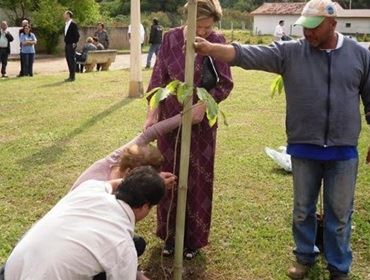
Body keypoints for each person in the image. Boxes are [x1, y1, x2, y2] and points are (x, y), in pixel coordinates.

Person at [193, 0, 370, 278]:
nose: (306, 33)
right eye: (304, 27)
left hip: (343, 150)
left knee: (340, 215)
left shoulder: (359, 55)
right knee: (302, 209)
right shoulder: (291, 52)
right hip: (304, 146)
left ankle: (339, 266)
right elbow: (247, 54)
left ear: (333, 25)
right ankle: (304, 255)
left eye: (314, 28)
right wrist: (210, 48)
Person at [144, 0, 233, 260]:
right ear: (188, 19)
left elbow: (225, 84)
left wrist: (203, 106)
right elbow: (157, 82)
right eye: (200, 26)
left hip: (200, 126)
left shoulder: (216, 40)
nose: (204, 32)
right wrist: (152, 116)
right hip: (171, 123)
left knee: (198, 181)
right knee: (169, 176)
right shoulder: (170, 39)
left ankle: (192, 240)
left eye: (208, 27)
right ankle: (170, 237)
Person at [4, 166, 165, 280]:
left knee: (137, 244)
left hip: (11, 270)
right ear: (145, 207)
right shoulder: (121, 245)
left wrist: (143, 181)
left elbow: (111, 184)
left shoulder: (89, 189)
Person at [63, 10, 80, 82]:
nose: (64, 15)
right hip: (67, 44)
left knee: (72, 60)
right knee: (68, 60)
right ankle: (70, 76)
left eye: (65, 14)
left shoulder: (73, 24)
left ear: (68, 15)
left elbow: (77, 35)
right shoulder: (66, 24)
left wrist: (74, 42)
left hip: (71, 44)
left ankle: (73, 77)